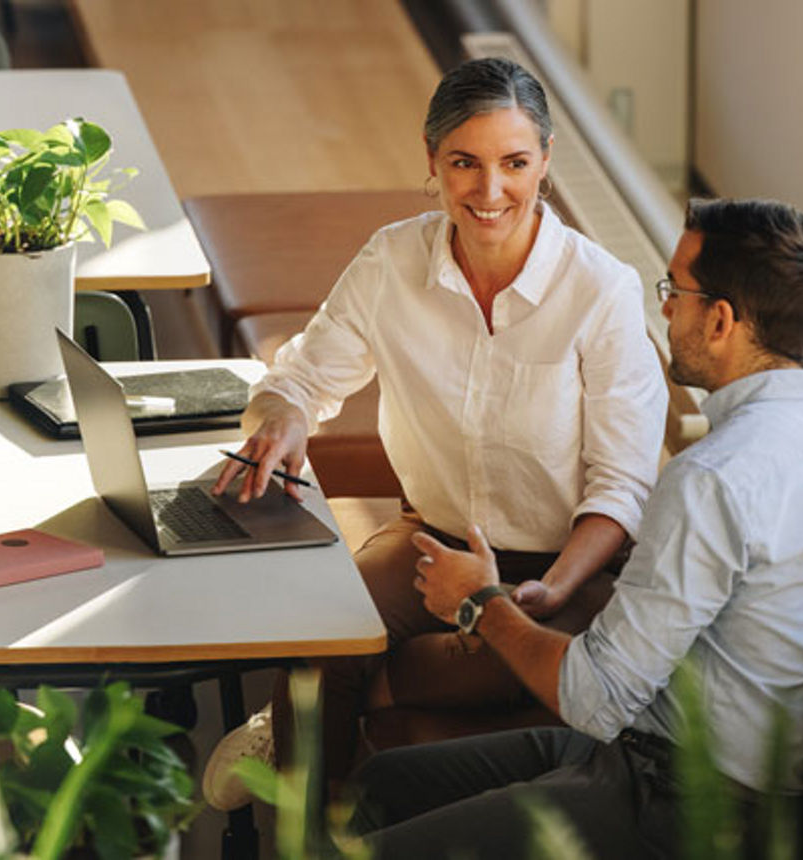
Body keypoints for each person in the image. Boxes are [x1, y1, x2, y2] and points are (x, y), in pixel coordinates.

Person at [348, 197, 803, 858]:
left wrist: (479, 603)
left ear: (722, 320)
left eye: (676, 292)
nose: (666, 309)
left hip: (685, 801)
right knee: (379, 783)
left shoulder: (711, 479)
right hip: (660, 751)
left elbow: (595, 695)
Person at [201, 56, 668, 811]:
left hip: (570, 564)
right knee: (321, 631)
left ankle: (343, 698)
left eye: (515, 163)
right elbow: (302, 378)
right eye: (465, 163)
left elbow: (622, 487)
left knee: (470, 661)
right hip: (433, 542)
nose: (490, 192)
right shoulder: (391, 260)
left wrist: (541, 593)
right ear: (432, 161)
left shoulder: (601, 290)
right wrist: (283, 419)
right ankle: (311, 834)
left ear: (546, 162)